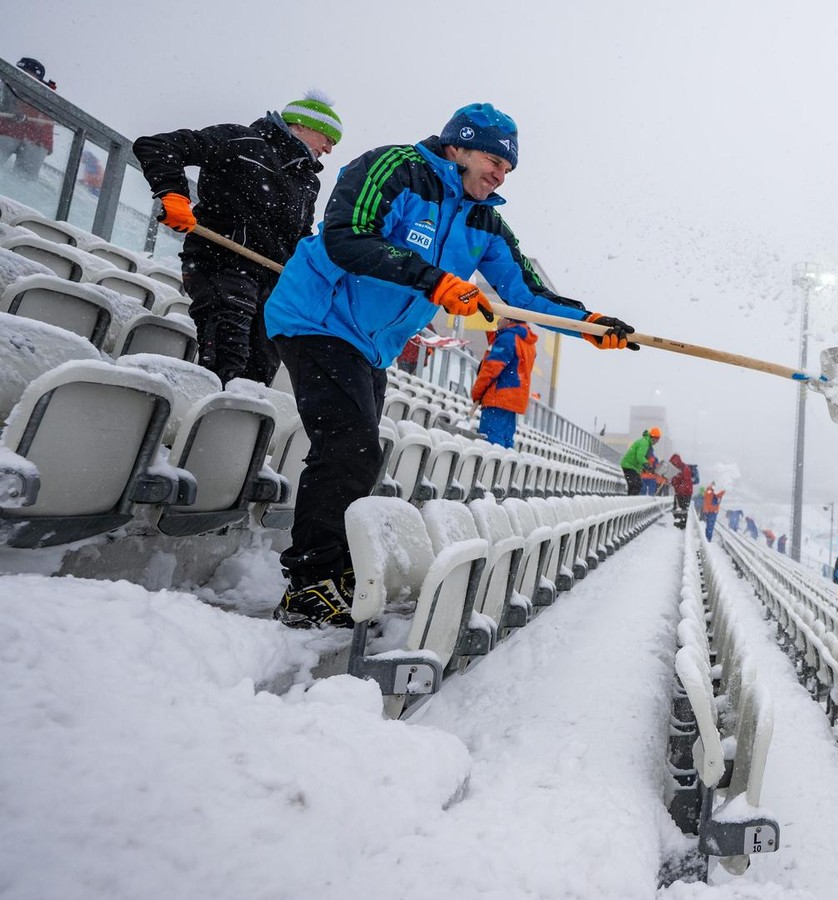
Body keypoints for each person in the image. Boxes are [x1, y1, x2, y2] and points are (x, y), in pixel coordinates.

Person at [262, 103, 637, 628]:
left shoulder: (484, 220)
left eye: (508, 168)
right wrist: (434, 280)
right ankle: (308, 584)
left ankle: (336, 569)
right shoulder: (393, 169)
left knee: (363, 455)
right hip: (315, 319)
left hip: (370, 345)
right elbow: (346, 236)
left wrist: (590, 324)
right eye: (494, 160)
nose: (501, 174)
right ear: (458, 146)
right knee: (348, 447)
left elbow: (525, 292)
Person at [133, 92, 344, 386]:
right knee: (228, 359)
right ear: (301, 125)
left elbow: (300, 235)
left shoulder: (308, 180)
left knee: (257, 377)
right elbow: (158, 146)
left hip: (270, 284)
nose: (329, 150)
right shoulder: (240, 141)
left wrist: (313, 270)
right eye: (328, 139)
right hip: (221, 264)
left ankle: (230, 426)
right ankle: (202, 416)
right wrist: (174, 194)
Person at [469, 319, 540, 447]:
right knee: (505, 445)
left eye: (501, 317)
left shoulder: (508, 338)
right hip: (512, 401)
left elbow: (491, 369)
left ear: (509, 320)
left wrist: (477, 391)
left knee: (490, 444)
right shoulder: (527, 342)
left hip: (498, 398)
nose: (498, 320)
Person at [0, 57, 56, 179]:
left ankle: (16, 195)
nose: (20, 76)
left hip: (36, 139)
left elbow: (43, 119)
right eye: (19, 71)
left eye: (25, 72)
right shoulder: (6, 84)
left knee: (23, 180)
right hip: (7, 130)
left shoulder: (44, 97)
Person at [620, 428, 660, 495]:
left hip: (633, 467)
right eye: (657, 439)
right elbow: (640, 456)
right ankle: (631, 501)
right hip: (629, 466)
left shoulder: (646, 442)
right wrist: (647, 466)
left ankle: (631, 500)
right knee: (635, 485)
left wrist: (646, 467)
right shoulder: (645, 443)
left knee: (637, 485)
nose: (657, 442)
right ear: (654, 437)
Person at [668, 453, 697, 529]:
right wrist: (672, 483)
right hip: (679, 492)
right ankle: (678, 522)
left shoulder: (685, 468)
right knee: (676, 508)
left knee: (683, 509)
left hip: (686, 493)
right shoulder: (675, 469)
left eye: (673, 463)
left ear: (676, 462)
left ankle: (682, 525)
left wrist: (680, 489)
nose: (672, 465)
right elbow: (675, 479)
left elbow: (686, 481)